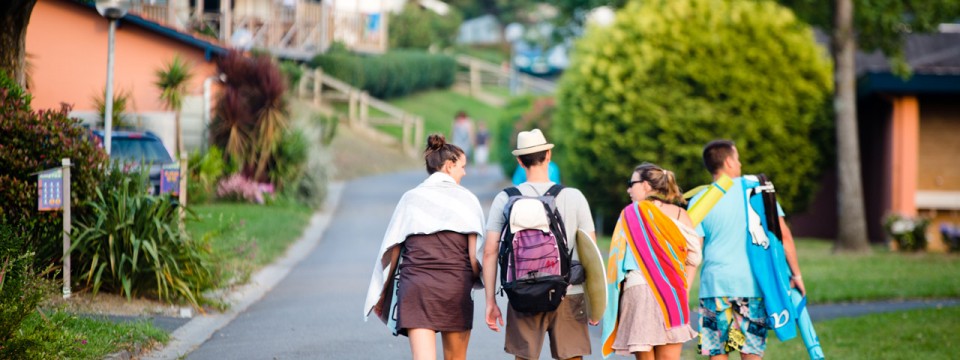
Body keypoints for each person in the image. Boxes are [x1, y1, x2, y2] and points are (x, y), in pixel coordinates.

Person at [363, 134, 486, 360]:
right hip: (455, 287)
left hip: (416, 288)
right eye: (462, 166)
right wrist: (477, 282)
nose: (465, 172)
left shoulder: (410, 198)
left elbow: (393, 249)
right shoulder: (467, 200)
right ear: (449, 166)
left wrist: (384, 290)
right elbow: (473, 255)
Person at [482, 128, 597, 360]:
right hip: (569, 292)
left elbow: (490, 251)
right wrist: (596, 301)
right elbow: (591, 253)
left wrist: (490, 302)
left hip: (522, 291)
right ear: (548, 156)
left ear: (520, 162)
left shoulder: (506, 198)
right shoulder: (574, 197)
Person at [691, 140, 806, 360]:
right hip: (752, 286)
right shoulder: (758, 193)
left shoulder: (700, 200)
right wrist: (796, 274)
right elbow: (783, 236)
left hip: (715, 287)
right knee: (750, 352)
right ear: (728, 162)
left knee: (718, 352)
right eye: (737, 158)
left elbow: (694, 253)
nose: (740, 163)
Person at [601, 163, 702, 360]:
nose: (629, 189)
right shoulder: (681, 214)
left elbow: (616, 266)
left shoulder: (630, 215)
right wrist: (685, 289)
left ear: (646, 185)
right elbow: (694, 258)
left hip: (638, 293)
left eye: (632, 184)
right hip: (673, 293)